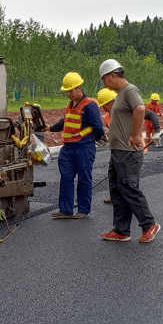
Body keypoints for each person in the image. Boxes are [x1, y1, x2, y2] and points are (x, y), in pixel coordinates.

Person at [98, 59, 160, 243]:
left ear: (112, 75)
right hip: (118, 150)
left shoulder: (129, 90)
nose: (104, 84)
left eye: (104, 79)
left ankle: (149, 224)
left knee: (129, 189)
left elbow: (140, 109)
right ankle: (121, 230)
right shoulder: (120, 94)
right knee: (117, 190)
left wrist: (134, 136)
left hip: (128, 151)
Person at [48, 72, 105, 219]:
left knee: (84, 178)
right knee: (66, 177)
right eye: (66, 90)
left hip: (84, 146)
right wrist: (49, 128)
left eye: (70, 90)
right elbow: (65, 122)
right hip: (68, 148)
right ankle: (65, 209)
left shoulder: (89, 105)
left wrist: (94, 140)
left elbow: (98, 127)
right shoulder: (70, 104)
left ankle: (83, 210)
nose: (68, 93)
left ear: (79, 88)